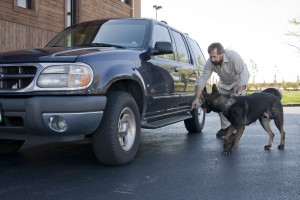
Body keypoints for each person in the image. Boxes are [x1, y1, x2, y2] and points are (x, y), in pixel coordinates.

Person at [192, 42, 250, 138]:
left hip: (237, 82)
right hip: (224, 84)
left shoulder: (233, 56)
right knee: (220, 105)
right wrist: (197, 98)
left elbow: (243, 74)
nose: (212, 59)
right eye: (210, 57)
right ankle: (225, 128)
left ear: (221, 53)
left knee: (235, 107)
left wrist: (239, 93)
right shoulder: (210, 62)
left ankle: (236, 129)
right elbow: (202, 79)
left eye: (214, 57)